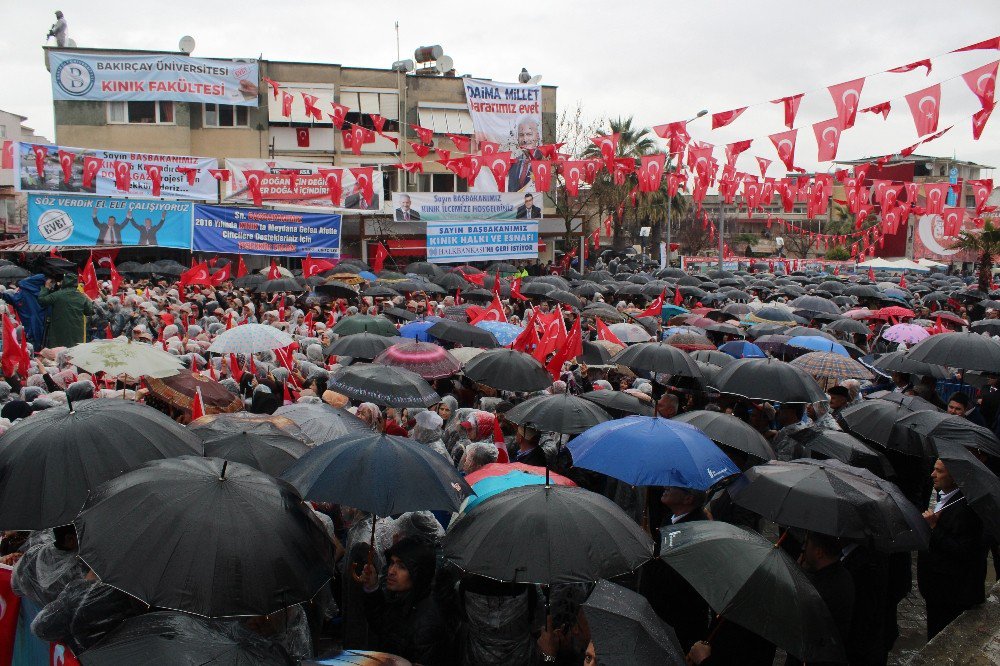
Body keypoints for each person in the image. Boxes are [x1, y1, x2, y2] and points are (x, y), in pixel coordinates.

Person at [917, 458, 989, 639]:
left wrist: (934, 528)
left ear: (955, 477)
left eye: (939, 471)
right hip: (939, 590)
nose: (932, 475)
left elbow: (964, 551)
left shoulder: (964, 508)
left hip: (948, 593)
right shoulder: (950, 497)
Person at [360, 536, 451, 664]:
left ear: (418, 572)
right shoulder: (403, 597)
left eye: (402, 566)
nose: (391, 571)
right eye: (391, 563)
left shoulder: (427, 624)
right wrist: (372, 588)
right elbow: (381, 625)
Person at [788, 532, 854, 666]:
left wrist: (796, 573)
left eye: (806, 544)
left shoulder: (817, 591)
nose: (803, 549)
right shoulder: (843, 575)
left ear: (818, 552)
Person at [38, 273, 94, 348]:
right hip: (76, 333)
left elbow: (42, 301)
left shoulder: (57, 295)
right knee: (73, 355)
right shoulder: (82, 297)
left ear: (64, 282)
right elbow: (89, 311)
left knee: (58, 355)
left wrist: (46, 287)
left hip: (58, 333)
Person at [506, 118, 542, 192]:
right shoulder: (513, 164)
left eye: (529, 134)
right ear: (517, 138)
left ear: (537, 136)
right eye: (521, 135)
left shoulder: (544, 160)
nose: (525, 139)